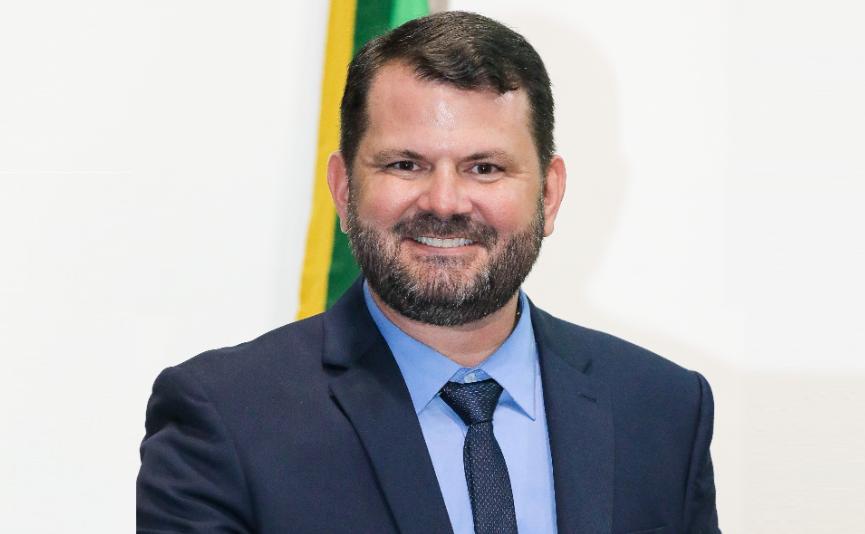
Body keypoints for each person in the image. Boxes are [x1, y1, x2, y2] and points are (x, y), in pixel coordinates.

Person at [137, 11, 719, 534]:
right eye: (405, 164)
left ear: (549, 194)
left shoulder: (663, 407)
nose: (444, 202)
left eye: (484, 168)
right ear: (343, 188)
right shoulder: (226, 417)